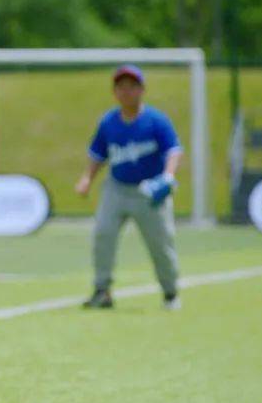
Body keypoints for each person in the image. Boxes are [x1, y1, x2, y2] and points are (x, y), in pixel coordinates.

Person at [75, 64, 183, 310]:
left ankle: (170, 292)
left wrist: (168, 176)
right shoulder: (109, 122)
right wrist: (86, 179)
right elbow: (98, 155)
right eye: (121, 87)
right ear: (114, 92)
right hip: (117, 188)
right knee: (103, 234)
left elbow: (173, 151)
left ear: (142, 90)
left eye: (132, 86)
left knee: (160, 244)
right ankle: (102, 291)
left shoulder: (155, 121)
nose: (126, 91)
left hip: (149, 192)